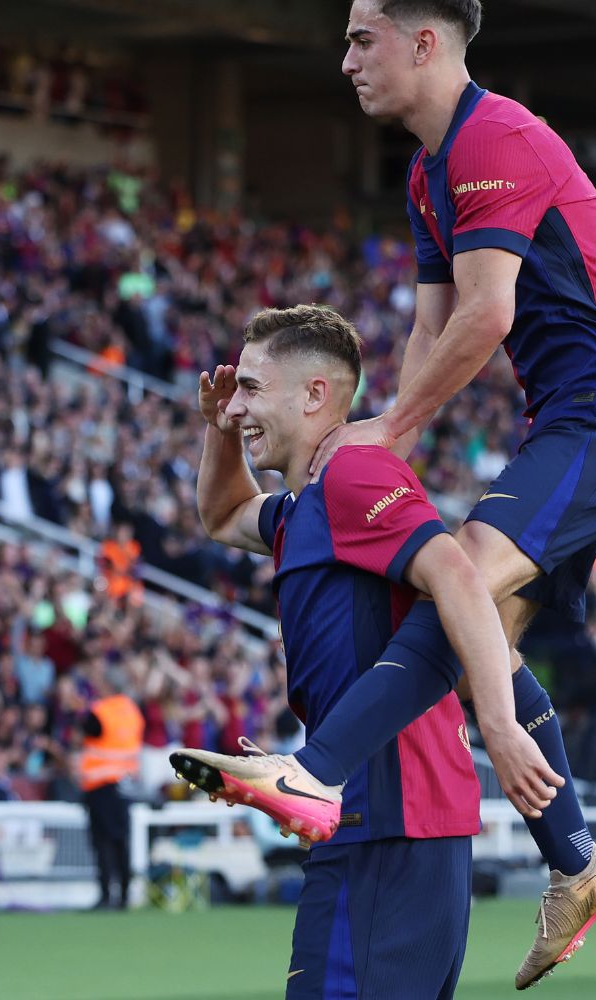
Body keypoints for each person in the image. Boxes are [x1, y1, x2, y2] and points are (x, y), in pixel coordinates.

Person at [190, 0, 596, 988]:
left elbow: (486, 315)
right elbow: (426, 324)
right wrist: (389, 442)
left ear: (424, 44)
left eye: (361, 39)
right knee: (468, 638)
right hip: (572, 415)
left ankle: (311, 769)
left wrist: (386, 431)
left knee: (458, 566)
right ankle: (578, 861)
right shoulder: (426, 171)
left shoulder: (494, 137)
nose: (344, 61)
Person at [171, 307, 488, 997]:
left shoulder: (352, 478)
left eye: (251, 388)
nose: (236, 403)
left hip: (387, 818)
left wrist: (502, 726)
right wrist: (216, 431)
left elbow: (457, 575)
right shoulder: (300, 510)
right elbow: (223, 514)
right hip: (377, 817)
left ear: (314, 394)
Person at [78, 680, 142, 911]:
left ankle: (106, 895)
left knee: (103, 842)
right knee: (121, 841)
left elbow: (87, 729)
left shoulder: (101, 711)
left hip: (100, 785)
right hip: (124, 783)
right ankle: (124, 894)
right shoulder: (132, 710)